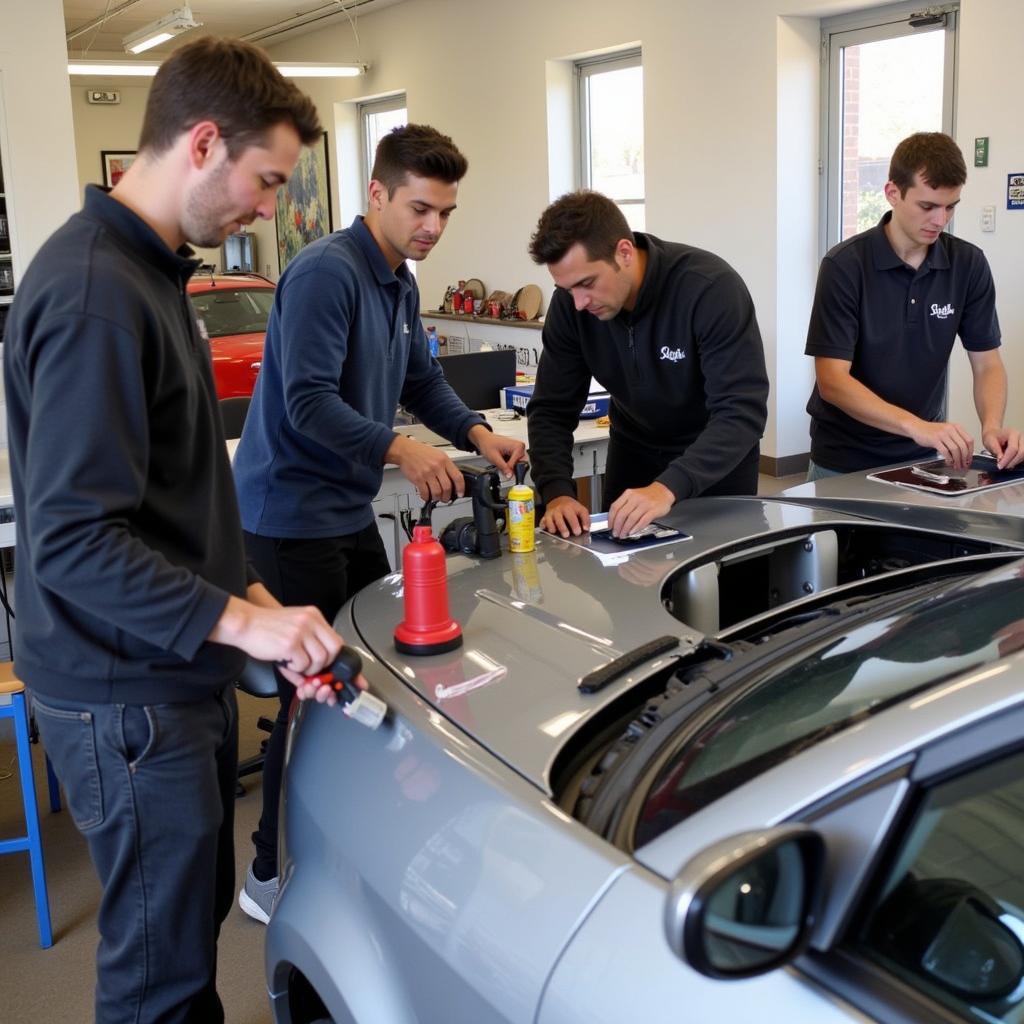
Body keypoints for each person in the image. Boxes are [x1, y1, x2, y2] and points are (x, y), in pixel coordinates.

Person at [3, 38, 351, 1023]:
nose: (271, 208)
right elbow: (72, 543)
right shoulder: (95, 294)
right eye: (267, 179)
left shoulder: (150, 273)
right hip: (123, 699)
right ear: (203, 143)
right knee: (160, 976)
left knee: (184, 933)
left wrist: (254, 599)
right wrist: (244, 628)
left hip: (163, 672)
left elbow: (171, 500)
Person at [231, 123, 526, 922]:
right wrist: (400, 449)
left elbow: (421, 377)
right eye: (420, 207)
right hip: (288, 517)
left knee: (369, 676)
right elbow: (307, 403)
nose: (432, 225)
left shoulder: (399, 281)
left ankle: (360, 834)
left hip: (342, 507)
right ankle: (267, 873)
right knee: (311, 695)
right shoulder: (327, 273)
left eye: (446, 213)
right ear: (377, 195)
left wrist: (473, 434)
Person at [526, 190, 768, 539]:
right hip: (633, 455)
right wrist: (558, 492)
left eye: (586, 284)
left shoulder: (710, 289)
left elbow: (741, 413)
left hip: (714, 462)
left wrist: (666, 487)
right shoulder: (571, 305)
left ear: (624, 252)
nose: (578, 303)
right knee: (623, 581)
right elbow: (551, 408)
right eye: (566, 289)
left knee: (720, 582)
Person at [805, 131, 1023, 479]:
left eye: (950, 206)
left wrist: (992, 426)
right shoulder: (844, 266)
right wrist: (916, 425)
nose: (941, 219)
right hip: (843, 460)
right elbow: (832, 380)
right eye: (928, 206)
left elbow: (987, 364)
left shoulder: (968, 264)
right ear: (892, 193)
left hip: (919, 459)